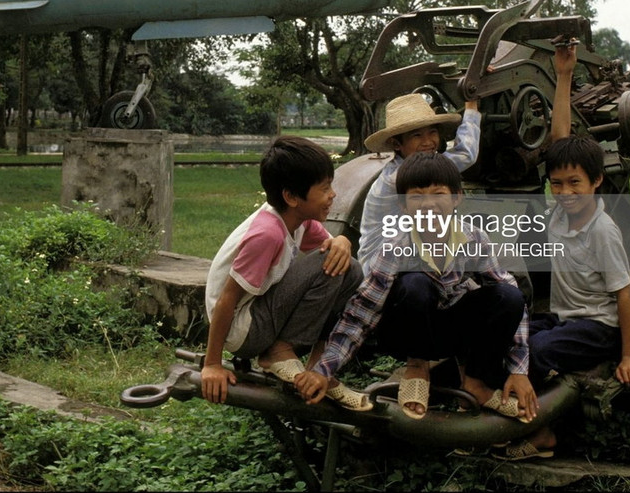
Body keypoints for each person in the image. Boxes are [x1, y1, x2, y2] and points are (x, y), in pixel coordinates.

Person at [294, 151, 537, 423]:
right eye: (417, 196)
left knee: (509, 296)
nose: (429, 204)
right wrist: (323, 370)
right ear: (403, 205)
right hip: (404, 332)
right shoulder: (395, 247)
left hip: (448, 333)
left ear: (456, 198)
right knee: (416, 283)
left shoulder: (474, 237)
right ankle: (416, 368)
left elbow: (507, 293)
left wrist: (519, 370)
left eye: (438, 194)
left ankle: (475, 383)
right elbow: (361, 313)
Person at [499, 42, 630, 461]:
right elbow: (561, 141)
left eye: (575, 184)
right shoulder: (560, 214)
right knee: (510, 335)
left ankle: (543, 433)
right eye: (557, 185)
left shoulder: (603, 231)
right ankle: (503, 408)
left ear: (597, 182)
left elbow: (623, 295)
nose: (564, 192)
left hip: (598, 327)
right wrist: (563, 76)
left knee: (538, 353)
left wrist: (629, 355)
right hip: (563, 318)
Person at [202, 135, 372, 411]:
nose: (333, 195)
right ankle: (277, 353)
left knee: (348, 267)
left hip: (260, 315)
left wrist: (343, 241)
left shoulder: (299, 220)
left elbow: (333, 247)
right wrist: (212, 364)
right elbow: (227, 299)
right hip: (244, 329)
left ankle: (319, 369)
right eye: (325, 188)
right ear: (292, 197)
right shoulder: (267, 234)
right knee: (333, 262)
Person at [356, 93, 481, 276]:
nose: (428, 142)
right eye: (417, 135)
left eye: (432, 132)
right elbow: (465, 155)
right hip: (382, 265)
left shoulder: (404, 167)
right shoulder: (399, 177)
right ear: (397, 144)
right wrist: (471, 105)